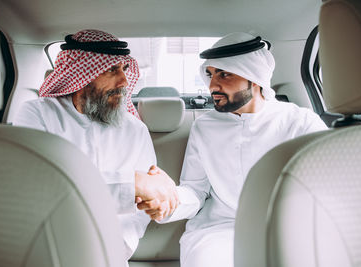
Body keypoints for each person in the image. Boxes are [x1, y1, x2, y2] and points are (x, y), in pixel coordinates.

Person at [137, 32, 328, 267]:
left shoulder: (300, 123)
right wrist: (169, 201)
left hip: (282, 227)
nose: (212, 85)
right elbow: (195, 191)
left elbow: (326, 190)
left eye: (224, 74)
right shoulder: (204, 126)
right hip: (218, 230)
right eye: (210, 74)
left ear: (254, 77)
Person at [13, 29, 178, 261]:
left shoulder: (135, 129)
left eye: (125, 68)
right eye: (112, 70)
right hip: (49, 243)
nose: (124, 80)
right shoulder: (37, 114)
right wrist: (133, 185)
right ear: (81, 74)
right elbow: (37, 188)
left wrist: (114, 242)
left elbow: (140, 211)